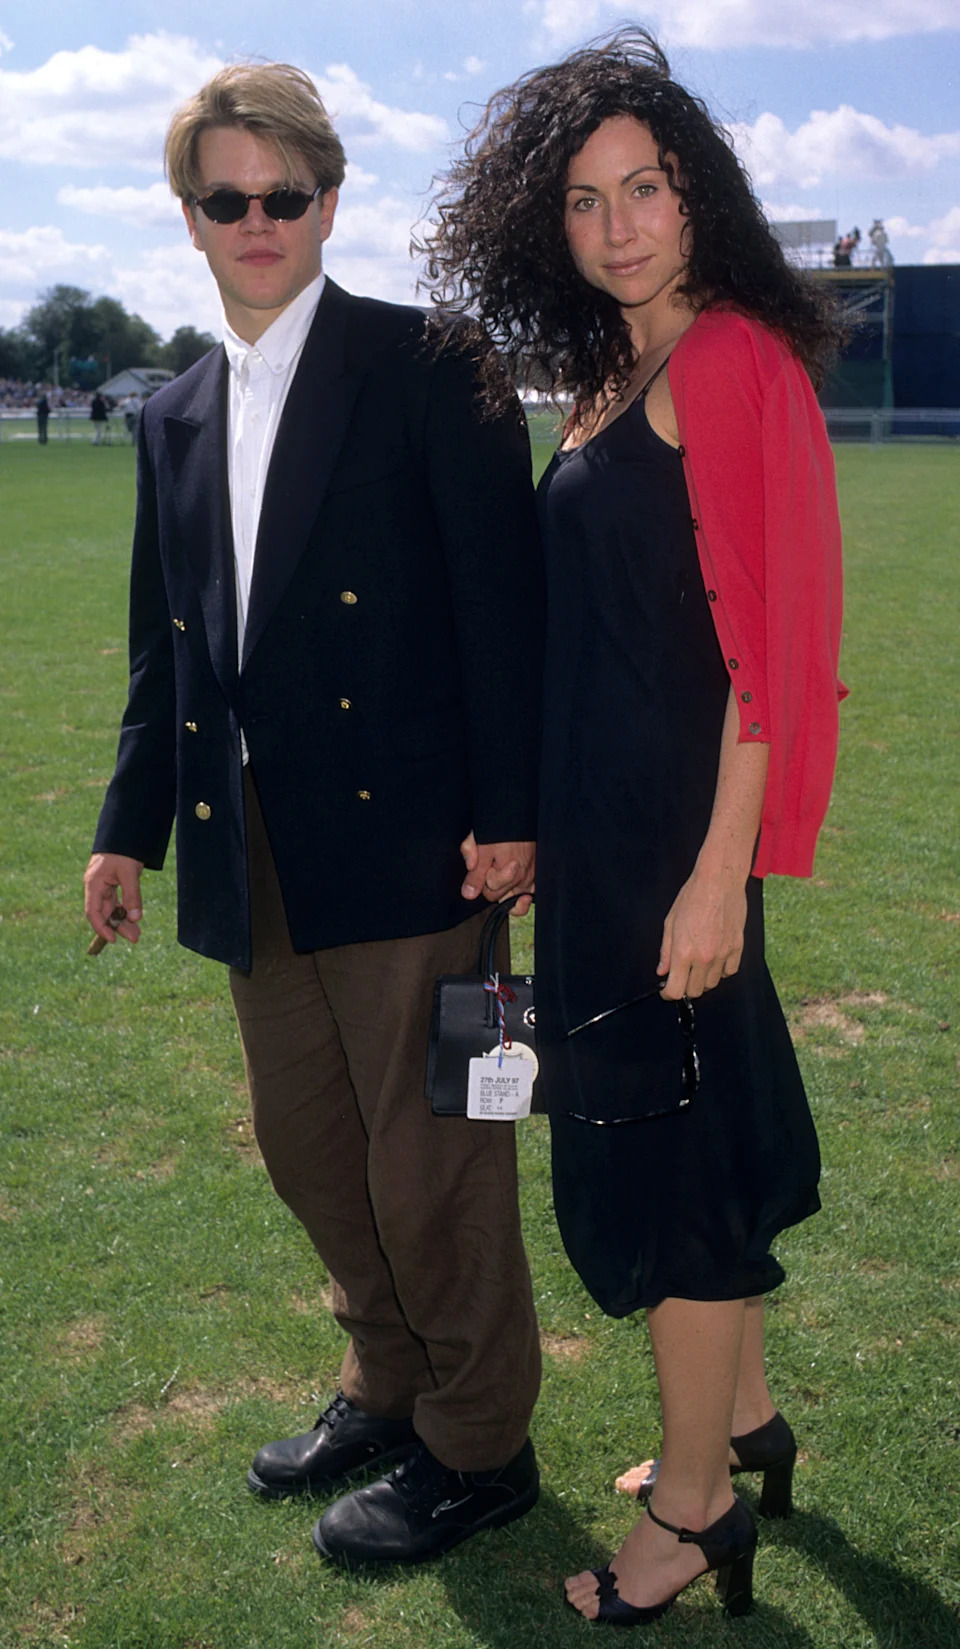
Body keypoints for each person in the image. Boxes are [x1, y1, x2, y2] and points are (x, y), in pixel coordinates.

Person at [83, 60, 545, 1569]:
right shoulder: (172, 412)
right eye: (229, 198)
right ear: (193, 221)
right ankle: (385, 1379)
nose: (259, 219)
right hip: (250, 852)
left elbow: (505, 611)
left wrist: (511, 813)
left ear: (330, 202)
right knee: (309, 1147)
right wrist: (124, 826)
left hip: (424, 849)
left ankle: (482, 1445)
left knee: (443, 1159)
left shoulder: (436, 366)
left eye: (286, 194)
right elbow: (171, 644)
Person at [421, 27, 845, 1627]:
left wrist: (716, 874)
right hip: (606, 841)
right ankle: (738, 1423)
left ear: (696, 193)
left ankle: (689, 1514)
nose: (619, 226)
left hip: (676, 842)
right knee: (696, 1136)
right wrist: (535, 827)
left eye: (645, 189)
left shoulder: (730, 357)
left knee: (663, 1170)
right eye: (587, 202)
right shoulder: (616, 371)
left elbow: (773, 652)